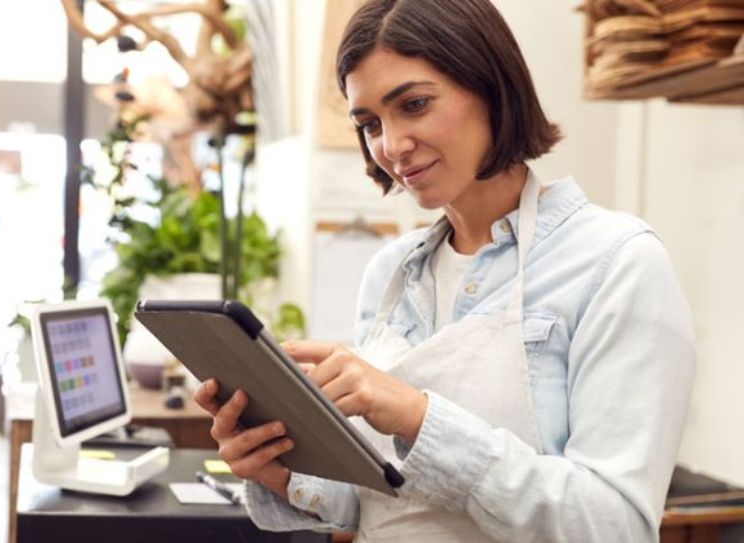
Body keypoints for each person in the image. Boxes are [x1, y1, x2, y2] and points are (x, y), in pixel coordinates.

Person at [192, 0, 696, 541]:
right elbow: (384, 496)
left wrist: (418, 417)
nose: (391, 146)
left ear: (491, 86)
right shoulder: (391, 272)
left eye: (414, 104)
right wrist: (282, 473)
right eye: (369, 124)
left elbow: (614, 525)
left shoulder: (616, 262)